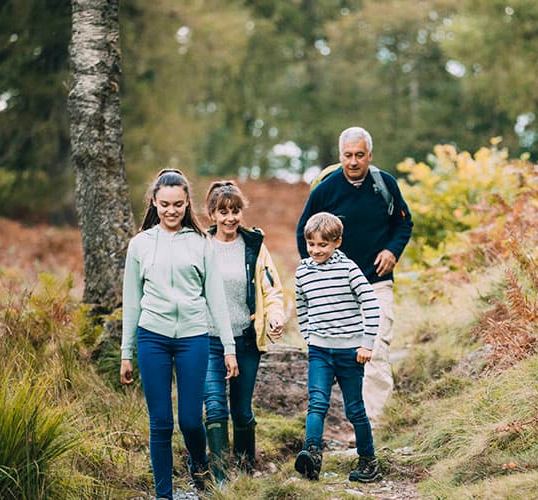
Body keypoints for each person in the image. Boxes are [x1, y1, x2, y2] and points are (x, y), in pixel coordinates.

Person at [120, 169, 239, 499]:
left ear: (187, 204)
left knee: (189, 419)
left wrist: (228, 347)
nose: (171, 211)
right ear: (154, 203)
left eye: (177, 204)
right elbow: (132, 302)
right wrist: (125, 353)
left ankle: (198, 465)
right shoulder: (140, 245)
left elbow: (215, 299)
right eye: (164, 204)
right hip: (152, 337)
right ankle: (163, 495)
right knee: (160, 424)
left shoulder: (201, 244)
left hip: (193, 338)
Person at [295, 126, 413, 424]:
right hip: (338, 288)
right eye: (348, 155)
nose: (353, 162)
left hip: (376, 281)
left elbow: (404, 223)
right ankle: (351, 420)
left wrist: (392, 251)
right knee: (345, 355)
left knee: (375, 348)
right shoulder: (326, 190)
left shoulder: (384, 184)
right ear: (340, 155)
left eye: (360, 155)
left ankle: (375, 425)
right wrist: (315, 274)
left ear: (369, 156)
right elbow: (303, 233)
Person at [201, 180, 285, 482]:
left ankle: (247, 471)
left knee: (241, 410)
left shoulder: (254, 247)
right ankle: (223, 480)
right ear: (211, 214)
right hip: (208, 341)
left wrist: (275, 316)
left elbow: (272, 289)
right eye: (222, 212)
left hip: (245, 340)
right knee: (214, 407)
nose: (229, 218)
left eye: (235, 211)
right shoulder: (201, 246)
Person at [294, 212, 382, 483]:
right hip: (319, 350)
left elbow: (371, 303)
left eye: (322, 245)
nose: (316, 250)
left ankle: (369, 460)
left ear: (337, 242)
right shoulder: (302, 271)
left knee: (354, 409)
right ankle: (312, 455)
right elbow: (302, 305)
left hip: (350, 351)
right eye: (311, 244)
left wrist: (366, 344)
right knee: (316, 403)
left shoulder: (349, 269)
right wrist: (308, 334)